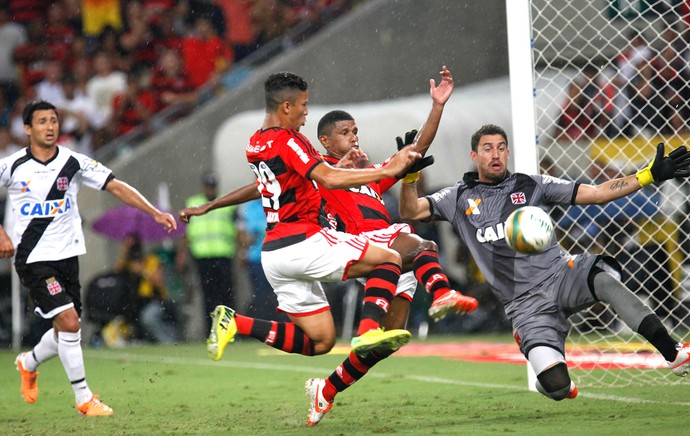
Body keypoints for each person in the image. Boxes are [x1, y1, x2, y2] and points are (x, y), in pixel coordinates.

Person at [179, 68, 476, 425]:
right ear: (288, 107)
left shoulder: (262, 145)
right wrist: (379, 171)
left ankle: (309, 376)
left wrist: (437, 108)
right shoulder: (308, 161)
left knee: (326, 342)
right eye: (304, 105)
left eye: (355, 132)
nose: (307, 111)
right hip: (321, 244)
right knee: (401, 253)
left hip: (282, 254)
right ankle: (428, 299)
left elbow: (266, 184)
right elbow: (326, 176)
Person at [398, 123, 690, 402]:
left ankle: (672, 352)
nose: (495, 154)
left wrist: (647, 176)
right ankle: (549, 373)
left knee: (604, 281)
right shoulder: (458, 196)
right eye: (487, 149)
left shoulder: (531, 185)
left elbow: (597, 193)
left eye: (501, 147)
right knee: (557, 387)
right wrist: (408, 178)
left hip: (561, 274)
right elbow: (410, 210)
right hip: (525, 306)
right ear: (474, 156)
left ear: (508, 153)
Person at [2, 100, 177, 415]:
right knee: (69, 323)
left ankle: (27, 363)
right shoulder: (12, 165)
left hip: (68, 258)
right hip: (33, 258)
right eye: (42, 122)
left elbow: (116, 186)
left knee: (66, 329)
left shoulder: (74, 162)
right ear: (28, 129)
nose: (50, 126)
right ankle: (84, 398)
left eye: (54, 120)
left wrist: (153, 212)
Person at [176, 171, 238, 332]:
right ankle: (210, 330)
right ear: (204, 186)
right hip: (202, 257)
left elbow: (238, 230)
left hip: (224, 255)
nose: (210, 190)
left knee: (227, 296)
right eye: (208, 186)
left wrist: (242, 251)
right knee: (208, 296)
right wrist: (182, 253)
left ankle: (227, 330)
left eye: (213, 186)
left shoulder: (227, 202)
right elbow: (185, 232)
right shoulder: (192, 203)